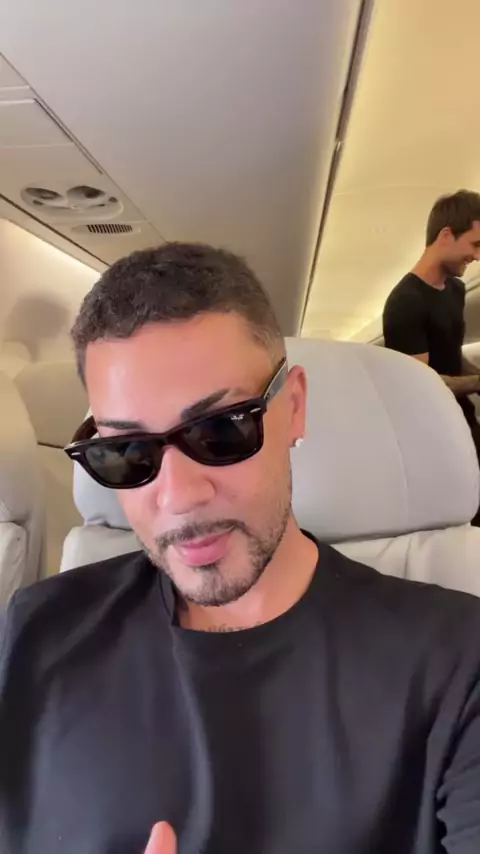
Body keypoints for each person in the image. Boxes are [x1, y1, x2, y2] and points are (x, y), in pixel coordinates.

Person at [1, 243, 480, 854]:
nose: (179, 496)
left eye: (220, 430)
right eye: (127, 453)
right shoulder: (36, 631)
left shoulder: (456, 659)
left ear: (294, 407)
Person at [383, 189, 480, 522]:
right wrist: (477, 383)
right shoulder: (405, 302)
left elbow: (450, 352)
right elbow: (423, 384)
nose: (477, 256)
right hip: (434, 432)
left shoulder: (455, 289)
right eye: (475, 245)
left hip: (464, 418)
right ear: (446, 235)